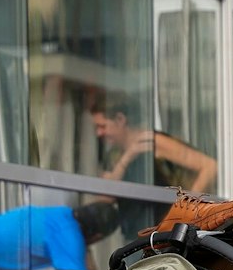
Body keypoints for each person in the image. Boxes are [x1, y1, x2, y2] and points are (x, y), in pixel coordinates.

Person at [91, 99, 218, 237]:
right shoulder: (115, 154)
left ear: (120, 120)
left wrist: (184, 213)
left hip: (168, 232)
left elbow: (209, 166)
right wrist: (128, 157)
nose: (99, 133)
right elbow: (105, 198)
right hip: (137, 235)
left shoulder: (151, 141)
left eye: (102, 126)